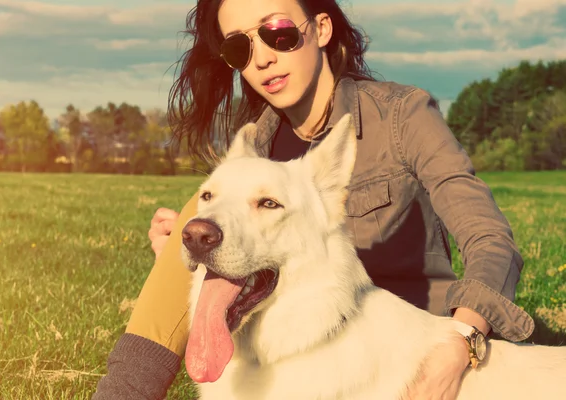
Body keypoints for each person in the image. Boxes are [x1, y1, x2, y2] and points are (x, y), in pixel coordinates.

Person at [93, 0, 535, 398]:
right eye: (239, 49)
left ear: (321, 29)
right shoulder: (254, 147)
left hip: (406, 344)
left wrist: (461, 343)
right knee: (197, 212)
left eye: (278, 32)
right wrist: (186, 251)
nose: (263, 57)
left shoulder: (403, 116)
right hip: (289, 341)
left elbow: (490, 238)